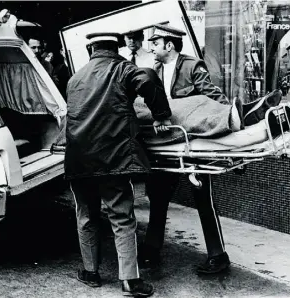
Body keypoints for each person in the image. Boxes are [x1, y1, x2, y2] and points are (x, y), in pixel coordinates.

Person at [139, 24, 281, 274]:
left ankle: (218, 256)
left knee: (203, 199)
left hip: (194, 143)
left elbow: (211, 98)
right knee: (158, 198)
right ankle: (151, 251)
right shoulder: (155, 71)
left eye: (155, 43)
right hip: (167, 143)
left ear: (168, 45)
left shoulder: (192, 66)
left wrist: (230, 123)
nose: (151, 48)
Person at [65, 32, 172, 296]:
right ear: (118, 48)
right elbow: (146, 77)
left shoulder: (75, 78)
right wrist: (160, 115)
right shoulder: (123, 68)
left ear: (91, 48)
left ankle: (90, 272)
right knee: (122, 217)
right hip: (113, 158)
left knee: (86, 216)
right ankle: (130, 281)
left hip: (79, 158)